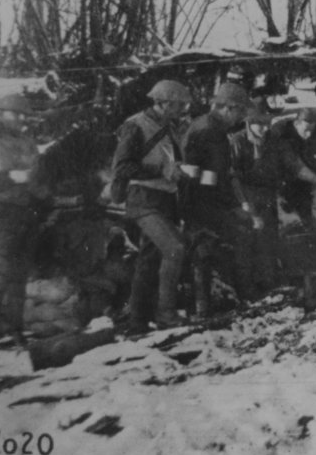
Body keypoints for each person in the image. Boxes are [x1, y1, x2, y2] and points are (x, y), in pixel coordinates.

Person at [0, 94, 48, 347]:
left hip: (25, 212)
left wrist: (44, 194)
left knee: (21, 275)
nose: (21, 119)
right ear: (1, 113)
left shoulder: (28, 142)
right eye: (16, 114)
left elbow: (36, 177)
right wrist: (9, 177)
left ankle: (15, 330)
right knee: (2, 271)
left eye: (24, 115)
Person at [112, 80, 192, 331]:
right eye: (180, 104)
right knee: (175, 248)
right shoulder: (135, 126)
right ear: (165, 103)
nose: (183, 109)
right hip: (143, 199)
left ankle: (137, 320)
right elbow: (124, 166)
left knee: (149, 259)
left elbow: (169, 164)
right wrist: (162, 169)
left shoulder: (169, 126)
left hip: (164, 199)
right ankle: (166, 314)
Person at [182, 82, 260, 315]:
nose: (241, 118)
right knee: (231, 238)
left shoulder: (208, 126)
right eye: (240, 112)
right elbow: (207, 175)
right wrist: (230, 206)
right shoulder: (210, 131)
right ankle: (229, 300)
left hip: (202, 199)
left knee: (214, 248)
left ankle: (217, 301)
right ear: (228, 108)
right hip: (201, 202)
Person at [229, 106, 282, 296]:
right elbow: (233, 175)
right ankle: (246, 289)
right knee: (246, 243)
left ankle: (269, 285)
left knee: (268, 241)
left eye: (267, 124)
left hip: (267, 196)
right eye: (259, 124)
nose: (264, 129)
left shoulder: (273, 140)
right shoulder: (237, 140)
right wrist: (243, 201)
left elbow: (285, 165)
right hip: (245, 196)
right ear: (249, 123)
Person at [271, 107, 316, 224]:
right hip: (281, 175)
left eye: (312, 131)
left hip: (304, 173)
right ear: (297, 123)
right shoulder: (282, 133)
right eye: (306, 130)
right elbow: (294, 165)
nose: (309, 135)